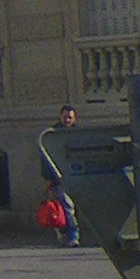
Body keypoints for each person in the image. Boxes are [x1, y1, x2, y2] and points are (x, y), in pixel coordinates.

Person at [38, 102, 84, 247]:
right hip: (59, 178)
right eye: (65, 117)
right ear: (60, 117)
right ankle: (72, 236)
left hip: (76, 176)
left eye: (70, 118)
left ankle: (66, 233)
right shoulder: (52, 134)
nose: (67, 120)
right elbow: (46, 157)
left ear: (75, 118)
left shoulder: (79, 134)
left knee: (68, 208)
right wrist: (48, 178)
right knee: (66, 207)